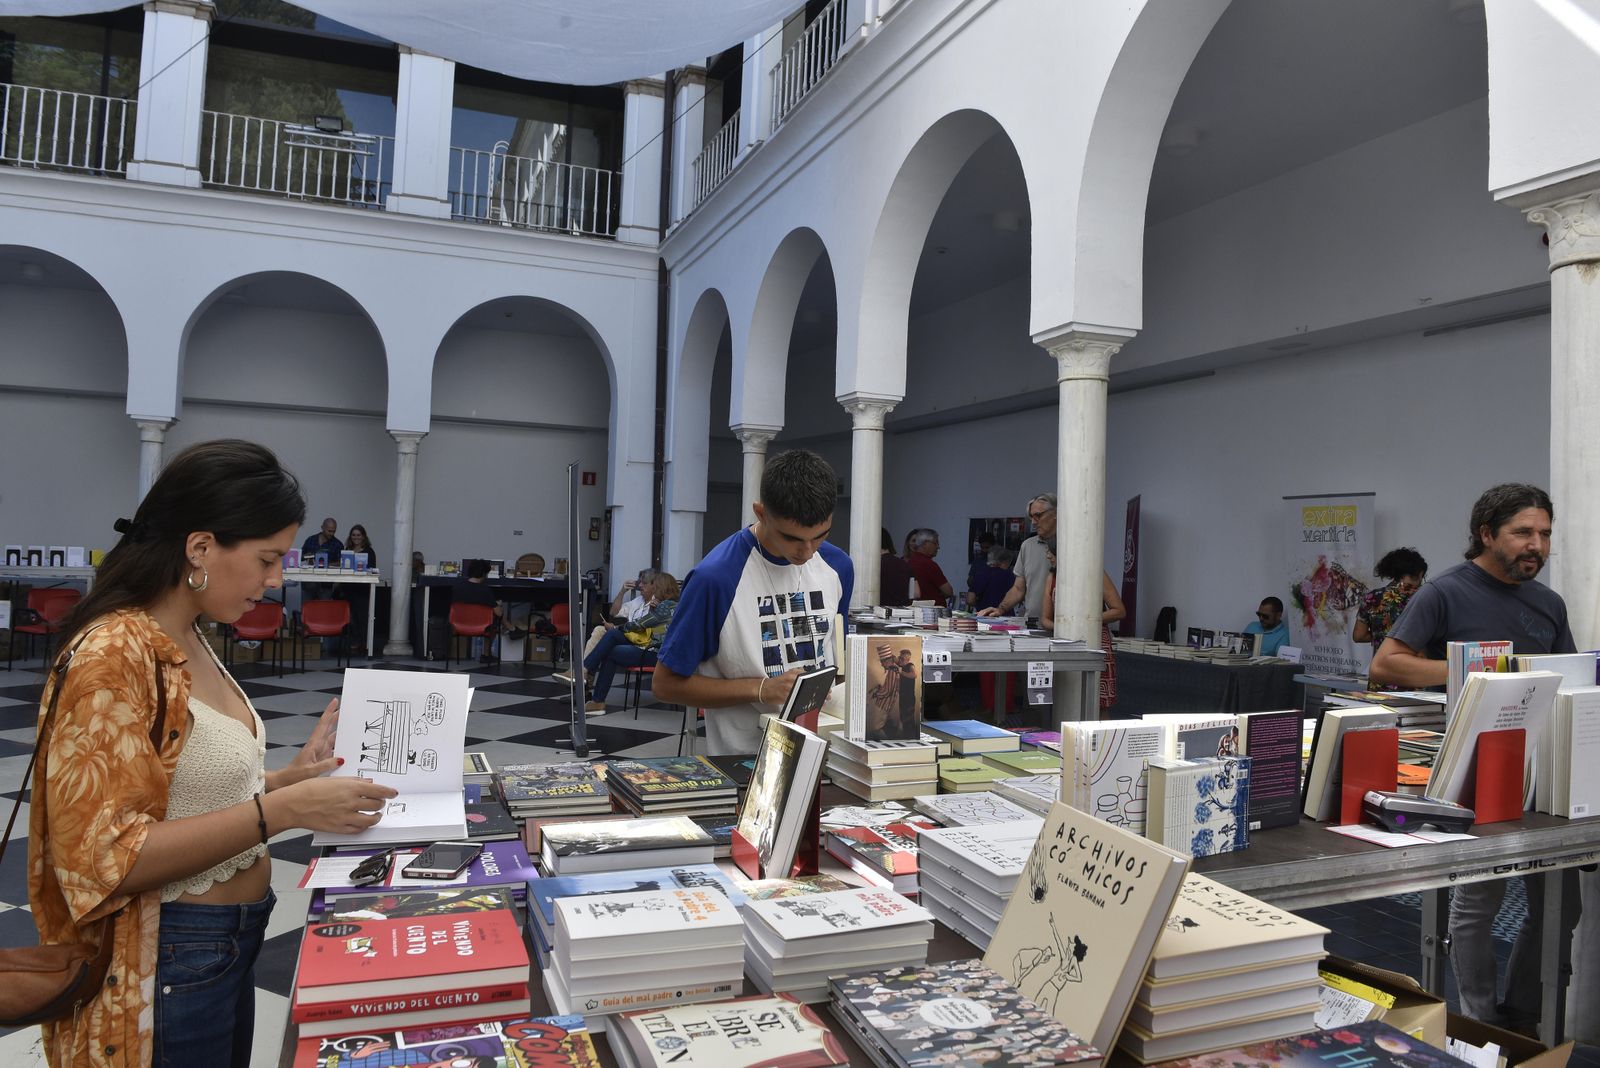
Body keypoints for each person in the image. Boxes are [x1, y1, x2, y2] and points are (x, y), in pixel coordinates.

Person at [27, 439, 396, 1068]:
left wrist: (283, 782)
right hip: (165, 957)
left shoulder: (186, 634)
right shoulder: (113, 652)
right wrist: (281, 812)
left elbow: (183, 787)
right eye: (267, 559)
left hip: (220, 946)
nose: (277, 579)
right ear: (200, 548)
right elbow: (103, 859)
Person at [1371, 483, 1575, 1032]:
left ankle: (1523, 1014)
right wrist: (1477, 670)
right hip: (1473, 770)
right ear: (1487, 534)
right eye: (1523, 533)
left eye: (1545, 534)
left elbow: (1565, 679)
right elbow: (1386, 665)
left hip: (1543, 769)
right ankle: (1479, 1023)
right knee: (1479, 901)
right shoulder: (1443, 593)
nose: (1537, 545)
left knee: (1562, 902)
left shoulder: (1548, 603)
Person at [653, 449, 853, 755]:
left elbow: (835, 658)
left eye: (820, 536)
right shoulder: (716, 578)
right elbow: (665, 685)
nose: (808, 551)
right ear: (761, 513)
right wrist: (762, 688)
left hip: (827, 756)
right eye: (792, 538)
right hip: (745, 761)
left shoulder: (839, 566)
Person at [1038, 541, 1126, 712]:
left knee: (1098, 705)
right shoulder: (1052, 577)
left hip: (1096, 640)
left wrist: (1084, 621)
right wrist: (1064, 627)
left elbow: (1119, 611)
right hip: (1064, 641)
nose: (1048, 556)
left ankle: (1099, 738)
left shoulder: (1095, 573)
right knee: (1065, 700)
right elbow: (1045, 619)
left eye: (1052, 552)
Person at [580, 573, 679, 714]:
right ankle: (592, 689)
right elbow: (653, 627)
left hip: (656, 653)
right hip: (654, 648)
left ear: (662, 588)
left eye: (655, 587)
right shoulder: (670, 605)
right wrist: (652, 609)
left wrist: (615, 628)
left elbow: (640, 625)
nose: (653, 591)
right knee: (612, 638)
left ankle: (593, 691)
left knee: (611, 649)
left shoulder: (666, 607)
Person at [980, 493, 1056, 623]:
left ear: (1055, 513)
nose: (1033, 522)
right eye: (1031, 517)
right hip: (1034, 625)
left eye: (1038, 515)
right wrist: (1000, 610)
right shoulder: (1028, 546)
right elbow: (1018, 588)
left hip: (1065, 626)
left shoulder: (1071, 545)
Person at [1354, 546, 1429, 652]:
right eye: (1421, 577)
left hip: (1382, 664)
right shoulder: (1424, 596)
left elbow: (1359, 636)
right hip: (1413, 664)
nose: (1421, 581)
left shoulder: (1372, 597)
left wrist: (1380, 636)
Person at [453, 558, 504, 663]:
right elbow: (499, 613)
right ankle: (486, 654)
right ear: (484, 574)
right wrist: (497, 604)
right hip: (482, 627)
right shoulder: (485, 590)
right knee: (495, 618)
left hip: (458, 625)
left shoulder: (457, 587)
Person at [340, 523, 379, 655]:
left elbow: (372, 569)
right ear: (350, 537)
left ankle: (365, 644)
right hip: (348, 589)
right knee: (351, 618)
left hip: (362, 590)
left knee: (362, 618)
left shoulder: (369, 551)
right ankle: (354, 643)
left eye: (359, 535)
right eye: (353, 535)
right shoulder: (347, 550)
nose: (356, 537)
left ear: (363, 537)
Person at [906, 529, 954, 603]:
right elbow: (948, 591)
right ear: (925, 544)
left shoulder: (910, 562)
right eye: (936, 543)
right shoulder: (929, 564)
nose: (938, 547)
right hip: (933, 611)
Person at [968, 546, 1016, 612]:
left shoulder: (980, 573)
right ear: (1003, 562)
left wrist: (979, 606)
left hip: (983, 615)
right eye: (1009, 563)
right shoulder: (1009, 575)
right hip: (1005, 616)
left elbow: (970, 600)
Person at [879, 528, 915, 608]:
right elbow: (915, 593)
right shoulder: (905, 564)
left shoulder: (875, 566)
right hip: (902, 613)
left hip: (880, 611)